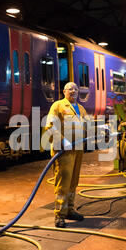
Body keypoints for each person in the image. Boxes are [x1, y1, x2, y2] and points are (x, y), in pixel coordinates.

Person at [45, 82, 88, 228]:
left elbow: (87, 125)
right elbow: (50, 126)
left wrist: (102, 131)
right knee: (63, 183)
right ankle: (59, 215)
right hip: (63, 152)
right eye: (70, 89)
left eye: (76, 89)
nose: (74, 91)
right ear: (64, 91)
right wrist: (62, 140)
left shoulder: (81, 108)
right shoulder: (58, 106)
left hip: (78, 150)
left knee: (73, 181)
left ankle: (70, 210)